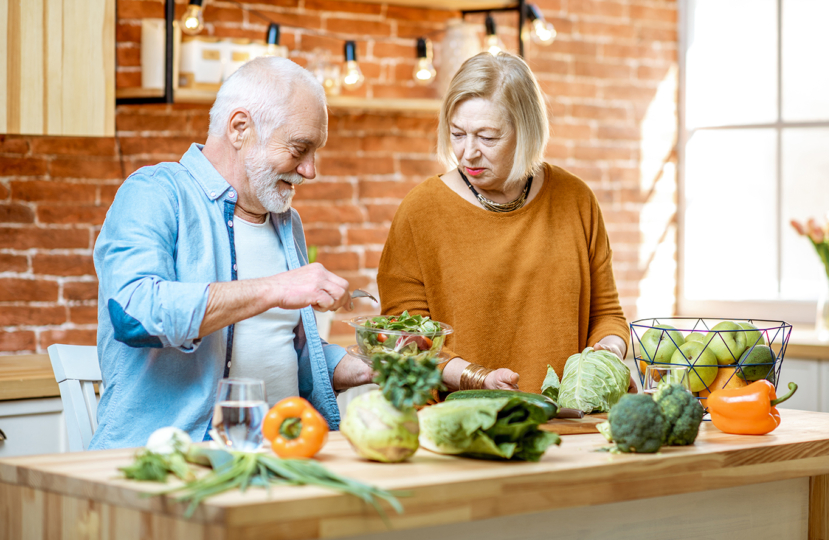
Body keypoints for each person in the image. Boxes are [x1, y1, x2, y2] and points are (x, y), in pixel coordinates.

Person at [90, 57, 372, 450]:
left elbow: (275, 348)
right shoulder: (155, 192)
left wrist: (368, 368)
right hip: (176, 459)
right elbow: (134, 311)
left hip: (281, 452)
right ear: (240, 128)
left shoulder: (285, 223)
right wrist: (275, 288)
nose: (310, 171)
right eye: (299, 149)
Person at [378, 52, 635, 394]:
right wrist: (476, 377)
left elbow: (606, 313)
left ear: (526, 132)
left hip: (569, 424)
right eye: (457, 134)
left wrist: (608, 353)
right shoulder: (421, 209)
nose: (468, 152)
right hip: (465, 426)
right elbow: (406, 336)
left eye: (487, 137)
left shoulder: (576, 199)